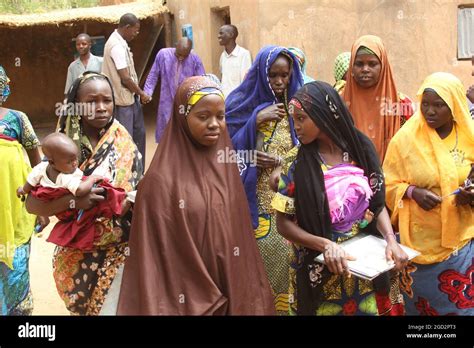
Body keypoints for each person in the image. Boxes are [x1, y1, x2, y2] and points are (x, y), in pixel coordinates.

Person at [117, 76, 275, 315]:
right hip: (189, 296)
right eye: (203, 117)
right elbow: (156, 257)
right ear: (182, 118)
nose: (214, 124)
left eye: (220, 117)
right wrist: (203, 295)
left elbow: (239, 235)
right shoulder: (159, 182)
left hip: (230, 281)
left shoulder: (226, 166)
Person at [272, 81, 408, 316]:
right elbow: (283, 224)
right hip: (318, 269)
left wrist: (390, 240)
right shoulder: (295, 162)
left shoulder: (360, 149)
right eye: (294, 120)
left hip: (362, 270)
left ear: (323, 115)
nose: (297, 127)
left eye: (302, 119)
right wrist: (325, 245)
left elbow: (377, 206)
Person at [25, 72, 143, 315]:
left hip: (119, 247)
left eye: (107, 100)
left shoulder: (123, 141)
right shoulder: (60, 147)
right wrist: (73, 201)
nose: (101, 108)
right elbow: (33, 204)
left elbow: (136, 192)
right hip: (75, 253)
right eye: (91, 101)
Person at [383, 72, 474, 315]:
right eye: (425, 103)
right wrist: (412, 192)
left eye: (439, 105)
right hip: (417, 248)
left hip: (461, 246)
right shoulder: (405, 140)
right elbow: (387, 185)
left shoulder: (469, 137)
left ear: (454, 105)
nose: (430, 111)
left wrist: (470, 194)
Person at [225, 46, 304, 314]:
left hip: (290, 208)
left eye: (285, 75)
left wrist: (283, 164)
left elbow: (310, 149)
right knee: (258, 270)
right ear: (261, 73)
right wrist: (254, 123)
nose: (280, 82)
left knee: (290, 270)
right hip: (255, 209)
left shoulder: (298, 106)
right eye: (273, 76)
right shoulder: (240, 104)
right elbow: (221, 153)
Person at [17, 132, 129, 251]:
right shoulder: (65, 177)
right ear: (52, 162)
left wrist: (22, 190)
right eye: (70, 161)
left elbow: (30, 183)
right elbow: (80, 191)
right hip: (73, 202)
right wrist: (92, 178)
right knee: (103, 193)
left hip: (64, 203)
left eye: (76, 158)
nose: (75, 163)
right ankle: (118, 208)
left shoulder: (41, 168)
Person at [0, 65, 48, 315]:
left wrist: (41, 204)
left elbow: (37, 163)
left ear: (4, 88)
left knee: (16, 263)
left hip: (16, 207)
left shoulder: (18, 119)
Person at [342, 35, 413, 161]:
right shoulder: (339, 102)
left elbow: (412, 146)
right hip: (349, 176)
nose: (365, 69)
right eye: (359, 64)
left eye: (372, 64)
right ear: (351, 67)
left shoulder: (401, 105)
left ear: (383, 66)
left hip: (392, 176)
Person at [102, 13, 149, 166]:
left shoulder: (120, 43)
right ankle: (126, 171)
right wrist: (141, 93)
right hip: (122, 101)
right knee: (124, 138)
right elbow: (125, 78)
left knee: (139, 133)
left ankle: (138, 168)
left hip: (129, 98)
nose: (136, 33)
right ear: (127, 27)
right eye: (135, 30)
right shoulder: (116, 46)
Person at [143, 37, 205, 143]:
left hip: (185, 102)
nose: (181, 58)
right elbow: (153, 75)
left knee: (184, 132)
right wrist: (147, 92)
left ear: (190, 52)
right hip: (166, 101)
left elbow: (202, 81)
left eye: (184, 56)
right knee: (166, 132)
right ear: (175, 45)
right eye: (178, 54)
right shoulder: (163, 55)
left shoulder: (195, 59)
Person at [218, 24, 252, 97]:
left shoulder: (244, 54)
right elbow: (222, 77)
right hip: (224, 100)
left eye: (221, 33)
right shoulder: (223, 56)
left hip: (238, 100)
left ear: (231, 35)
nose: (218, 36)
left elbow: (246, 81)